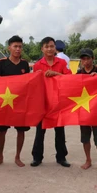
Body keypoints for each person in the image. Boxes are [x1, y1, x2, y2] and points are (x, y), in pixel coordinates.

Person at [31, 37, 72, 167]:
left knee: (59, 131)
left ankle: (61, 157)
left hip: (58, 102)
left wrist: (56, 74)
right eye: (47, 46)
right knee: (40, 131)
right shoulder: (38, 65)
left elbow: (70, 79)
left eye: (52, 46)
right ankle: (37, 157)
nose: (49, 49)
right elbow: (34, 84)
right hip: (43, 102)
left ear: (55, 48)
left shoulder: (61, 63)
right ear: (42, 49)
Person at [0, 35, 30, 168]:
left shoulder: (25, 64)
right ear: (9, 48)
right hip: (4, 103)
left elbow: (28, 83)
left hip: (20, 103)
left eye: (20, 46)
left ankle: (17, 157)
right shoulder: (2, 63)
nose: (18, 49)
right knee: (2, 131)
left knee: (21, 131)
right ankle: (0, 156)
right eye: (15, 46)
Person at [77, 48, 97, 172]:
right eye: (83, 59)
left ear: (93, 59)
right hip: (83, 110)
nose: (86, 61)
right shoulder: (79, 74)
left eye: (88, 58)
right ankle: (88, 160)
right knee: (85, 137)